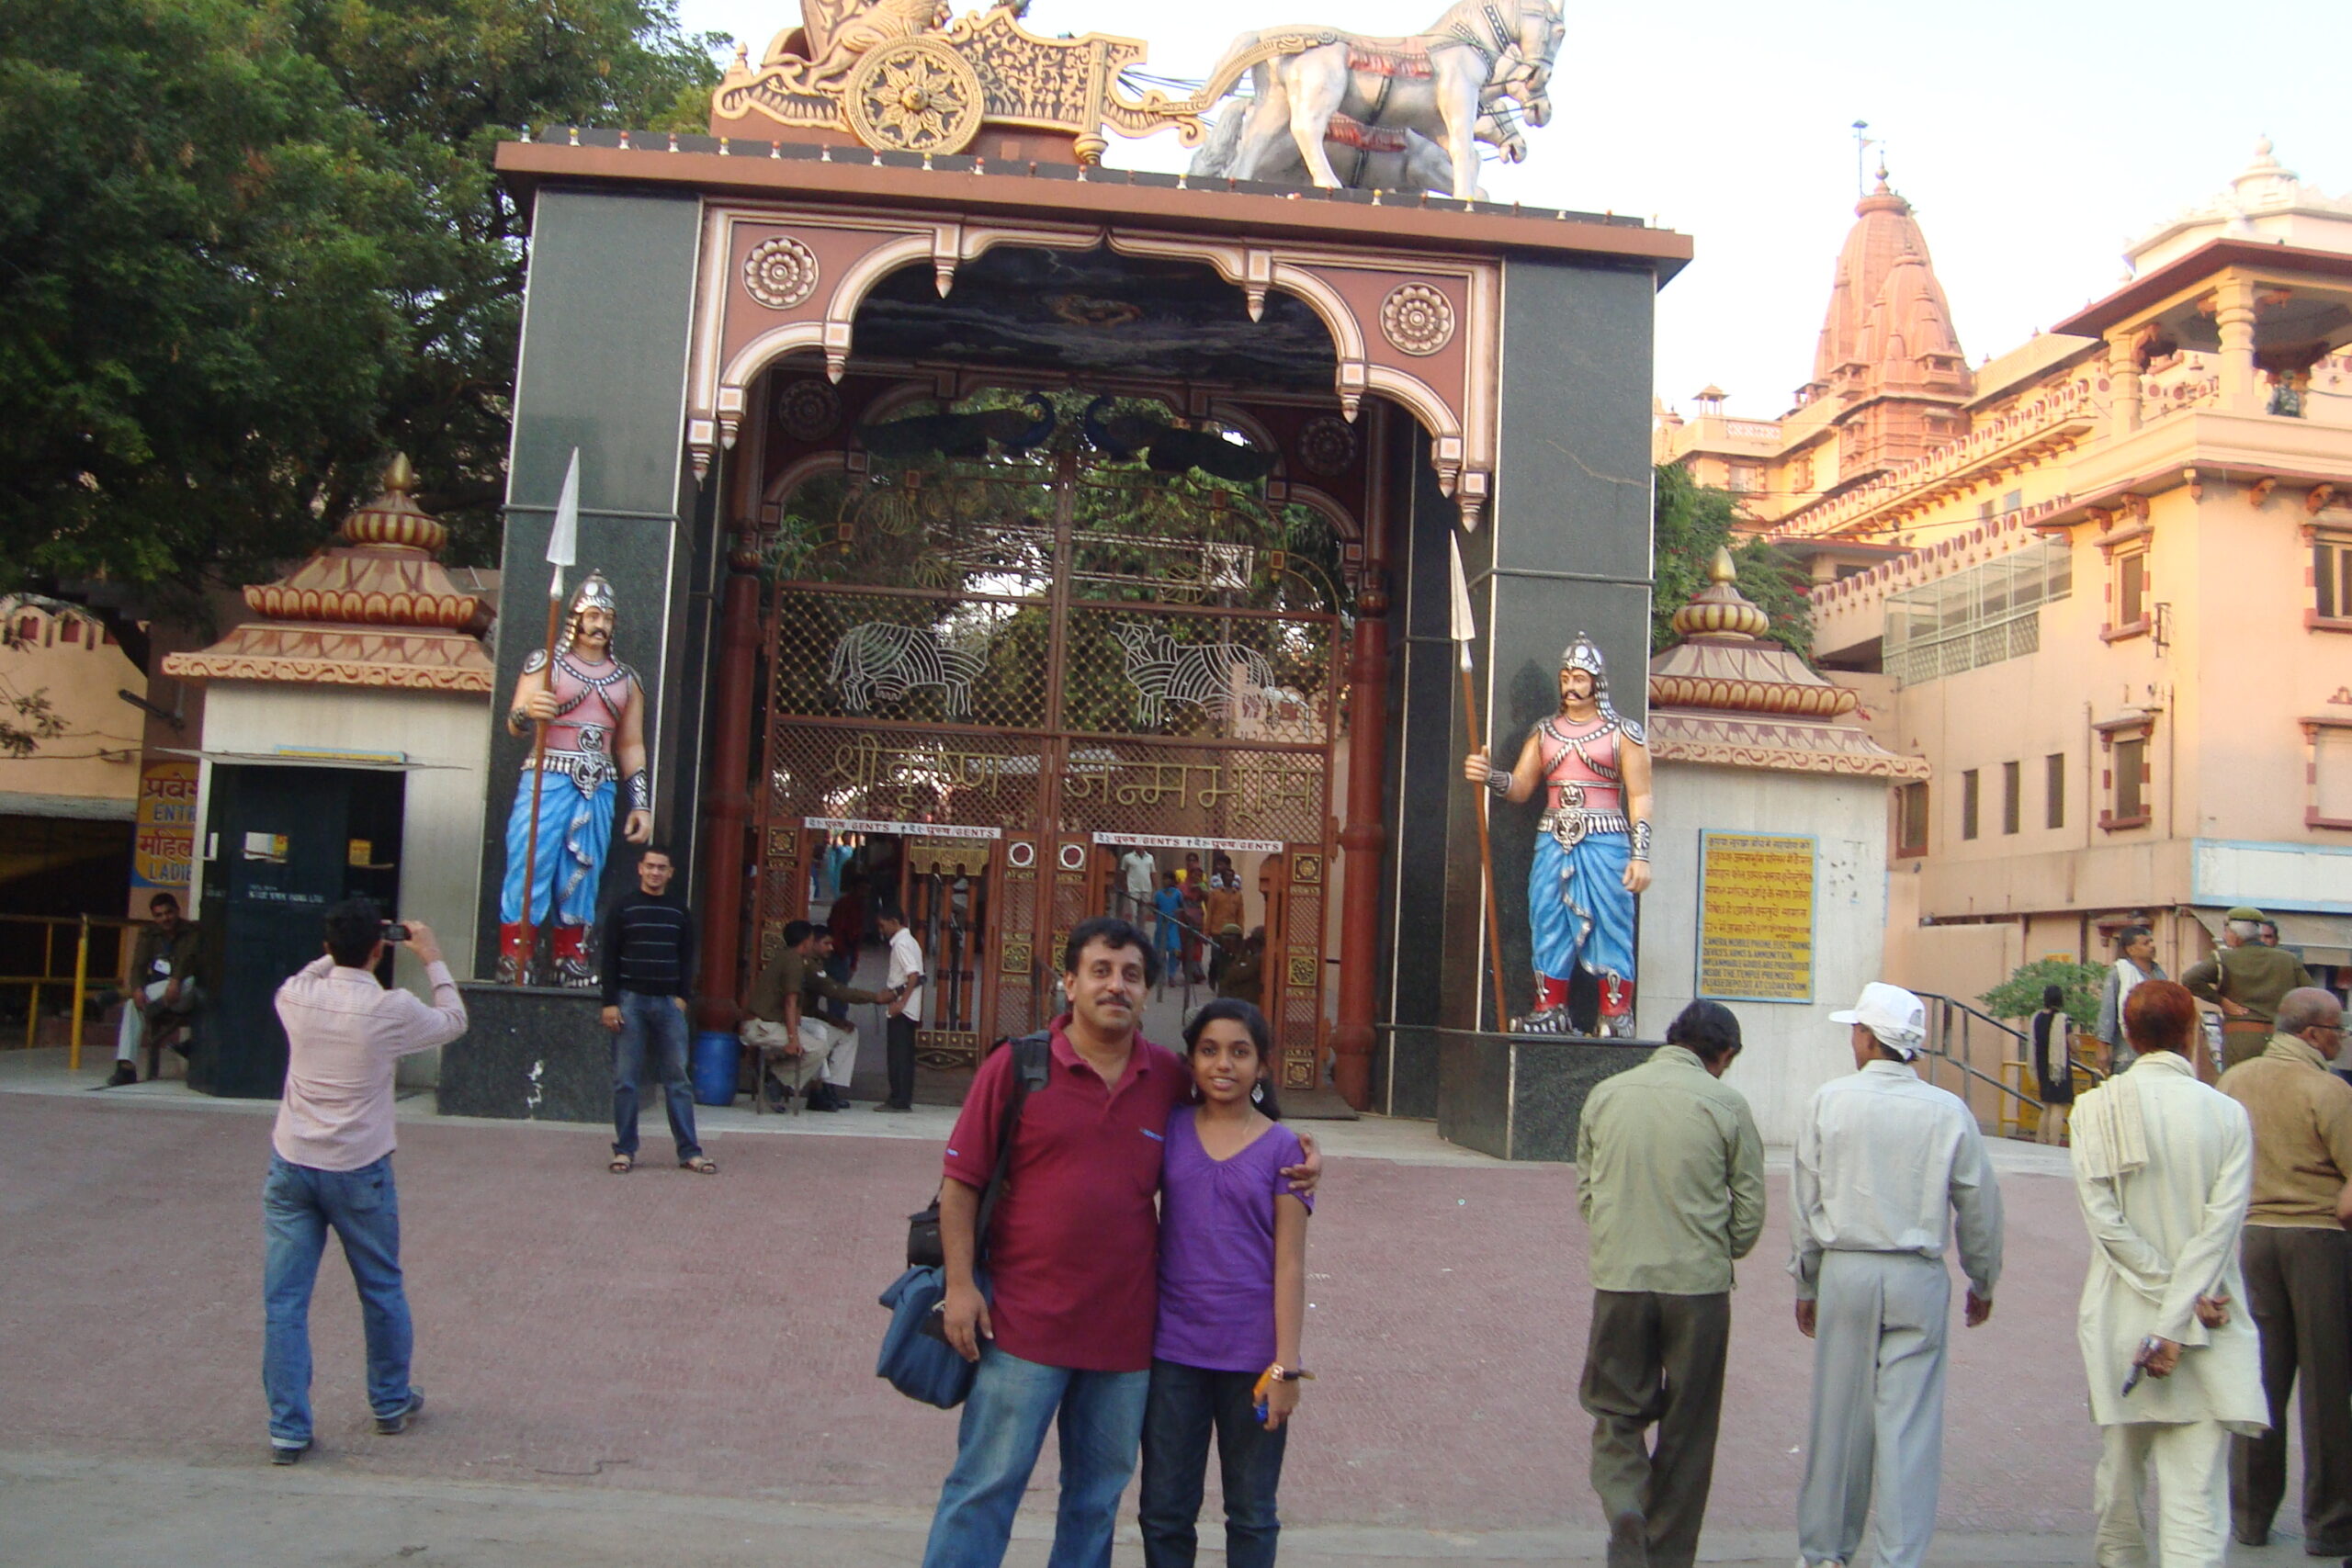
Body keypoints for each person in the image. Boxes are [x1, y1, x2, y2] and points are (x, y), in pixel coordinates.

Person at [922, 917, 1317, 1568]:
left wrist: (1303, 1150)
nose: (1116, 985)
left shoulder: (1165, 1078)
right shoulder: (1016, 1066)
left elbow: (1235, 1109)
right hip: (1022, 1326)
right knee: (985, 1486)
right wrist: (960, 1288)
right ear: (1069, 981)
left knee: (1096, 1498)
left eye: (1131, 975)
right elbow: (961, 1184)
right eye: (1100, 971)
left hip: (1127, 1342)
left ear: (1145, 993)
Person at [1791, 981, 2004, 1568]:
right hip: (1916, 1273)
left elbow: (1806, 1203)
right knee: (1909, 1426)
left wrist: (1806, 1281)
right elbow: (1978, 1204)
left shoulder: (1828, 1101)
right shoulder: (1947, 1110)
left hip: (1847, 1269)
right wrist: (1982, 1279)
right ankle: (1899, 1558)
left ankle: (1826, 1551)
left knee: (1839, 1418)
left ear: (1866, 1036)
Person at [263, 901, 467, 1464]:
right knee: (379, 1288)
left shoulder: (296, 996)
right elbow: (454, 1020)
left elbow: (314, 970)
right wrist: (432, 959)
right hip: (360, 1168)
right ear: (381, 950)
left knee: (285, 1302)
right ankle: (388, 1400)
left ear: (328, 947)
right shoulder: (390, 1008)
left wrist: (340, 950)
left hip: (294, 1161)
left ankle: (287, 1428)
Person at [2071, 978, 2266, 1568]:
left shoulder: (2095, 1107)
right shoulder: (2226, 1113)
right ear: (2190, 1034)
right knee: (2196, 1499)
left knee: (2120, 1489)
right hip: (2207, 1321)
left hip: (2123, 1320)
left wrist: (2162, 1308)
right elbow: (2222, 1226)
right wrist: (2181, 1313)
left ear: (2128, 1035)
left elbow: (2106, 1226)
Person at [1575, 1000, 1764, 1568]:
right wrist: (1717, 1247)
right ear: (1723, 1054)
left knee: (1616, 1411)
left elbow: (1588, 1190)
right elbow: (1750, 1209)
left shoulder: (1608, 1095)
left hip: (1620, 1281)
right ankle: (1668, 1553)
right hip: (1698, 1289)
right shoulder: (1727, 1104)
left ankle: (1626, 1507)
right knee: (1690, 1426)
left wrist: (1620, 1238)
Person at [1136, 999, 1311, 1568]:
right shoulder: (1171, 1130)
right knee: (1164, 1510)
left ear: (1262, 1065)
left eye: (1240, 1052)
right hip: (1173, 1355)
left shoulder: (1285, 1149)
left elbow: (1290, 1263)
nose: (1224, 1065)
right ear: (1190, 1060)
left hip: (1253, 1361)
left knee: (1253, 1512)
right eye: (1209, 1051)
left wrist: (1286, 1367)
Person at [2215, 986, 2352, 1553]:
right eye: (2339, 1029)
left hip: (2249, 1239)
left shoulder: (2231, 1083)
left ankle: (2249, 1518)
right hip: (2317, 1240)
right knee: (2326, 1389)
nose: (2342, 1039)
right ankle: (2330, 1525)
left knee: (2259, 1384)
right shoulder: (2329, 1090)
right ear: (2315, 1034)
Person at [1463, 633, 1654, 1036]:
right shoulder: (1545, 732)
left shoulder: (1624, 733)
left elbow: (1639, 796)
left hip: (1606, 839)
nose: (1571, 685)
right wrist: (1489, 777)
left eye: (1580, 678)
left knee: (1611, 921)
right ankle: (1549, 1008)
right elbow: (1520, 788)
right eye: (1566, 677)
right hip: (1552, 837)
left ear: (1597, 683)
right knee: (1547, 917)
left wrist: (1641, 856)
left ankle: (1616, 1012)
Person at [498, 571, 652, 986]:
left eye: (608, 618)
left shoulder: (627, 679)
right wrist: (530, 713)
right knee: (531, 859)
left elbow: (631, 746)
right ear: (575, 618)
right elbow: (514, 723)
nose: (600, 625)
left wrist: (641, 803)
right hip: (548, 774)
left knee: (584, 869)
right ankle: (517, 954)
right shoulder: (546, 663)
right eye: (593, 615)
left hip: (598, 782)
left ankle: (571, 955)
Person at [597, 846, 707, 1174]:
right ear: (640, 869)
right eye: (651, 866)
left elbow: (687, 956)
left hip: (668, 1004)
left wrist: (683, 997)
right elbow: (609, 958)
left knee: (678, 1080)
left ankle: (689, 1151)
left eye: (662, 867)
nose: (656, 872)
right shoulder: (623, 908)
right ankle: (625, 1150)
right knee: (626, 1080)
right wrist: (609, 1003)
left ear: (670, 873)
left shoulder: (678, 911)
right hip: (630, 1001)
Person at [743, 920, 898, 1111]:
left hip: (775, 1023)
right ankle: (777, 1079)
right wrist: (793, 1038)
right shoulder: (797, 962)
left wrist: (831, 1019)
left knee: (838, 1035)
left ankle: (822, 1086)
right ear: (809, 942)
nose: (831, 948)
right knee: (818, 1044)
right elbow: (809, 997)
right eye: (825, 943)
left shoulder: (793, 959)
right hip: (764, 1025)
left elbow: (806, 1005)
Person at [2184, 908, 2312, 1076]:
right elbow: (2310, 996)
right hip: (2280, 1040)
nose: (2225, 936)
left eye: (2226, 931)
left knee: (2238, 1090)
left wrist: (2221, 1001)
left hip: (2241, 1040)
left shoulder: (2223, 959)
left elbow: (2189, 979)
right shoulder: (2288, 960)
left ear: (2234, 934)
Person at [106, 890, 201, 1087]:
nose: (165, 918)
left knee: (189, 982)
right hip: (157, 996)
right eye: (159, 915)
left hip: (183, 995)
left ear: (177, 911)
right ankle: (126, 1067)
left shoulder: (191, 931)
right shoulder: (149, 934)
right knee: (133, 1004)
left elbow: (188, 959)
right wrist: (138, 989)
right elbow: (139, 965)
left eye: (168, 913)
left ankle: (121, 995)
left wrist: (175, 981)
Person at [2096, 925, 2165, 1076]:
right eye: (2146, 943)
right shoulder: (2119, 973)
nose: (2152, 946)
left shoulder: (2159, 974)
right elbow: (2107, 1012)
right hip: (2128, 1053)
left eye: (2152, 941)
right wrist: (2102, 1049)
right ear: (2131, 950)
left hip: (2158, 1052)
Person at [877, 899, 924, 1113]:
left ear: (893, 922)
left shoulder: (901, 944)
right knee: (902, 1054)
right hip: (907, 1005)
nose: (882, 930)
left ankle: (899, 1099)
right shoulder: (910, 941)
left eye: (883, 925)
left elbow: (913, 975)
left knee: (898, 1055)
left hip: (903, 1007)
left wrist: (900, 1002)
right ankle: (899, 1097)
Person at [2031, 984, 2078, 1145]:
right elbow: (2072, 1045)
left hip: (2042, 1066)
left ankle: (2040, 1139)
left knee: (2046, 1106)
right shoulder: (2062, 1019)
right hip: (2058, 1068)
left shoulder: (2037, 1018)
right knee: (2058, 1107)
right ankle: (2053, 1142)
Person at [826, 874, 867, 1025]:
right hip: (839, 951)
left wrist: (853, 962)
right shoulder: (844, 905)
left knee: (840, 988)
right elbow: (837, 930)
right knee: (838, 990)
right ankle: (837, 1021)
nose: (864, 893)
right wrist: (842, 953)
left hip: (847, 950)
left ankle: (837, 1019)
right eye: (862, 889)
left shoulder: (859, 905)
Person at [1201, 871, 1244, 986]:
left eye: (1231, 876)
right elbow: (1210, 913)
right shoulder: (1215, 894)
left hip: (1232, 931)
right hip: (1217, 930)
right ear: (1223, 879)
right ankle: (1213, 975)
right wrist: (1206, 932)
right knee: (1216, 956)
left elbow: (1240, 915)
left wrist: (1241, 932)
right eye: (1227, 876)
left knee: (1228, 958)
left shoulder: (1238, 895)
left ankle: (1223, 980)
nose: (1229, 878)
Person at [1218, 927, 1266, 1009]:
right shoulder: (1246, 953)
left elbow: (1236, 974)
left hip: (1246, 1004)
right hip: (1234, 1001)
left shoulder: (1258, 958)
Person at [1154, 872, 1188, 984]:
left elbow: (1183, 907)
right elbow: (1156, 907)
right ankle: (1160, 975)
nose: (1166, 881)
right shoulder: (1158, 894)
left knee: (1175, 950)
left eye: (1169, 879)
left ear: (1173, 881)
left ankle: (1171, 974)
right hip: (1161, 925)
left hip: (1173, 925)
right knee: (1160, 952)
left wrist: (1178, 913)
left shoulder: (1177, 893)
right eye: (1164, 879)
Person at [1119, 847, 1158, 923]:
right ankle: (1133, 931)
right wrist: (1123, 885)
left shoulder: (1150, 857)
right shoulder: (1127, 857)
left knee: (1144, 912)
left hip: (1146, 888)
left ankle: (1142, 931)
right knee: (1134, 913)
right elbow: (1123, 872)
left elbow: (1153, 873)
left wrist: (1156, 887)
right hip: (1133, 888)